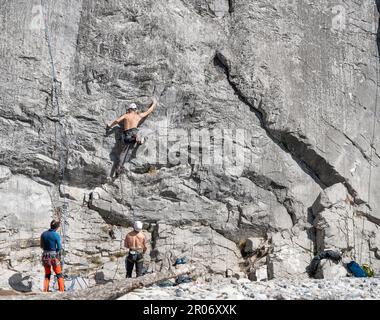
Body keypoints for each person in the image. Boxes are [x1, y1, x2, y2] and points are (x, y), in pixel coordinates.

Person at [106, 98, 158, 174]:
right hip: (133, 133)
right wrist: (153, 104)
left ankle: (118, 168)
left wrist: (110, 125)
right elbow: (148, 112)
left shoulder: (126, 116)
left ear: (129, 109)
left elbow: (117, 121)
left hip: (125, 136)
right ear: (135, 109)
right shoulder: (138, 115)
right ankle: (139, 140)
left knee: (123, 153)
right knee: (143, 133)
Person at [40, 220, 65, 292]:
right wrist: (55, 252)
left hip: (45, 256)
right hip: (53, 256)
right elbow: (59, 247)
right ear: (56, 227)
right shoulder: (56, 235)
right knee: (59, 273)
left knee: (47, 274)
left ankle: (45, 290)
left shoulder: (43, 234)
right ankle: (61, 290)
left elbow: (41, 246)